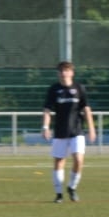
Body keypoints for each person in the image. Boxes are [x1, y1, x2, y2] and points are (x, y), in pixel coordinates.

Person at [42, 61, 96, 203]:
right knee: (59, 162)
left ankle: (72, 187)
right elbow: (47, 110)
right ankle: (59, 194)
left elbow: (86, 109)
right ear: (58, 74)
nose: (63, 73)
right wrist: (45, 127)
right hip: (60, 131)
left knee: (78, 160)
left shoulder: (79, 88)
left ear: (72, 73)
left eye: (66, 70)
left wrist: (91, 128)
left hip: (77, 130)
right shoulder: (54, 89)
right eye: (60, 71)